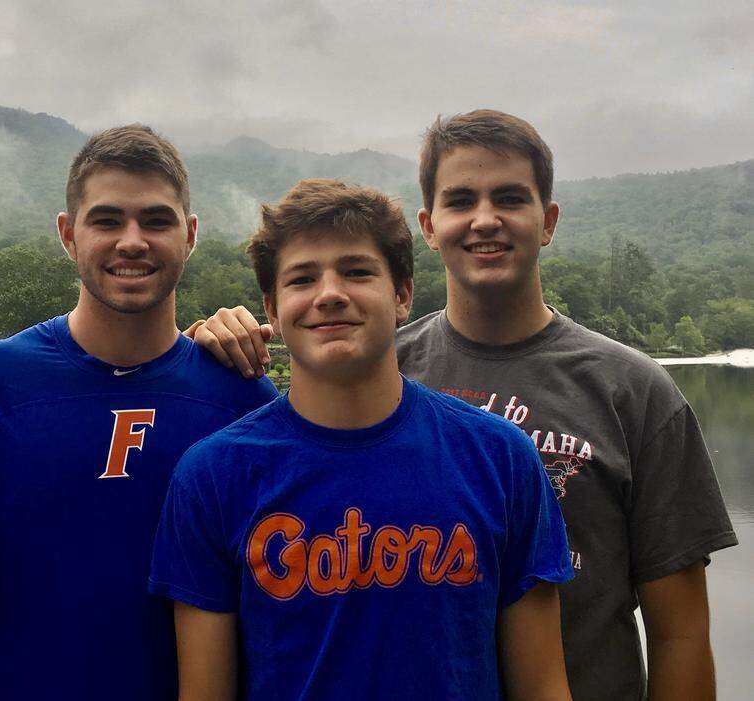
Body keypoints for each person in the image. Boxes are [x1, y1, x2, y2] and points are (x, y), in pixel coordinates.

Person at [191, 110, 737, 701]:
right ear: (429, 226)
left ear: (549, 221)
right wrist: (203, 356)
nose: (485, 220)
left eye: (510, 198)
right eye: (460, 201)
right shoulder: (372, 368)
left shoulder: (633, 391)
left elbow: (681, 636)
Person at [152, 178, 574, 700]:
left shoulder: (500, 457)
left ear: (402, 295)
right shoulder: (212, 476)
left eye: (356, 272)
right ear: (273, 311)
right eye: (302, 278)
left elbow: (542, 686)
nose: (330, 294)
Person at [0, 125, 277, 699]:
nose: (132, 241)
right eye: (107, 220)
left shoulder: (244, 401)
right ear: (69, 234)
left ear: (191, 235)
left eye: (157, 221)